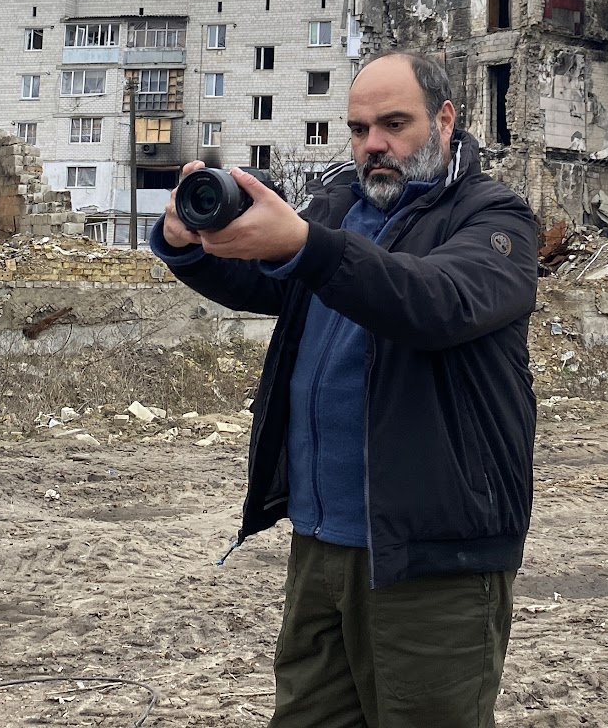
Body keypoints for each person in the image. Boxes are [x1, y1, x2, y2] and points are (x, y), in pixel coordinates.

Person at [149, 49, 539, 727]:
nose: (373, 145)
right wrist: (189, 241)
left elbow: (435, 302)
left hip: (432, 556)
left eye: (394, 124)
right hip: (321, 544)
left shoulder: (494, 217)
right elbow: (261, 280)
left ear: (445, 120)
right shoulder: (338, 208)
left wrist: (306, 244)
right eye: (358, 129)